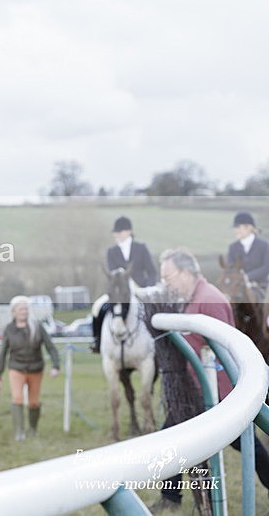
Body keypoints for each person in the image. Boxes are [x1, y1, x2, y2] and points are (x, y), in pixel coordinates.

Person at [150, 248, 269, 512]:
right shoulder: (192, 298)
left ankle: (173, 498)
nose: (166, 284)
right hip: (199, 389)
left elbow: (225, 350)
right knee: (171, 437)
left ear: (185, 272)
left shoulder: (210, 299)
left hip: (217, 392)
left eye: (168, 277)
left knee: (247, 446)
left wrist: (220, 397)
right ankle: (171, 497)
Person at [0, 295, 60, 441]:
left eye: (25, 309)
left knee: (33, 402)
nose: (23, 311)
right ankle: (19, 432)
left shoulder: (37, 327)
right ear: (14, 312)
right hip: (16, 368)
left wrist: (56, 366)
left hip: (36, 368)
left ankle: (33, 429)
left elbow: (50, 347)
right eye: (20, 309)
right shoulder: (9, 329)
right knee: (17, 398)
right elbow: (3, 353)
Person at [91, 216, 158, 353]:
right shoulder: (111, 252)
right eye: (115, 232)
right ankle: (97, 341)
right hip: (119, 292)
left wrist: (148, 288)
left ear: (129, 231)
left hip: (140, 289)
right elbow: (111, 275)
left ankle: (158, 341)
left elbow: (152, 272)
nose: (116, 235)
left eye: (119, 231)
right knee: (97, 307)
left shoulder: (141, 248)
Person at [227, 211, 269, 290]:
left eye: (238, 227)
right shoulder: (232, 247)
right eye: (235, 228)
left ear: (249, 227)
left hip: (261, 286)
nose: (236, 230)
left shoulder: (264, 245)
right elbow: (231, 267)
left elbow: (266, 267)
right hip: (239, 287)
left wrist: (247, 277)